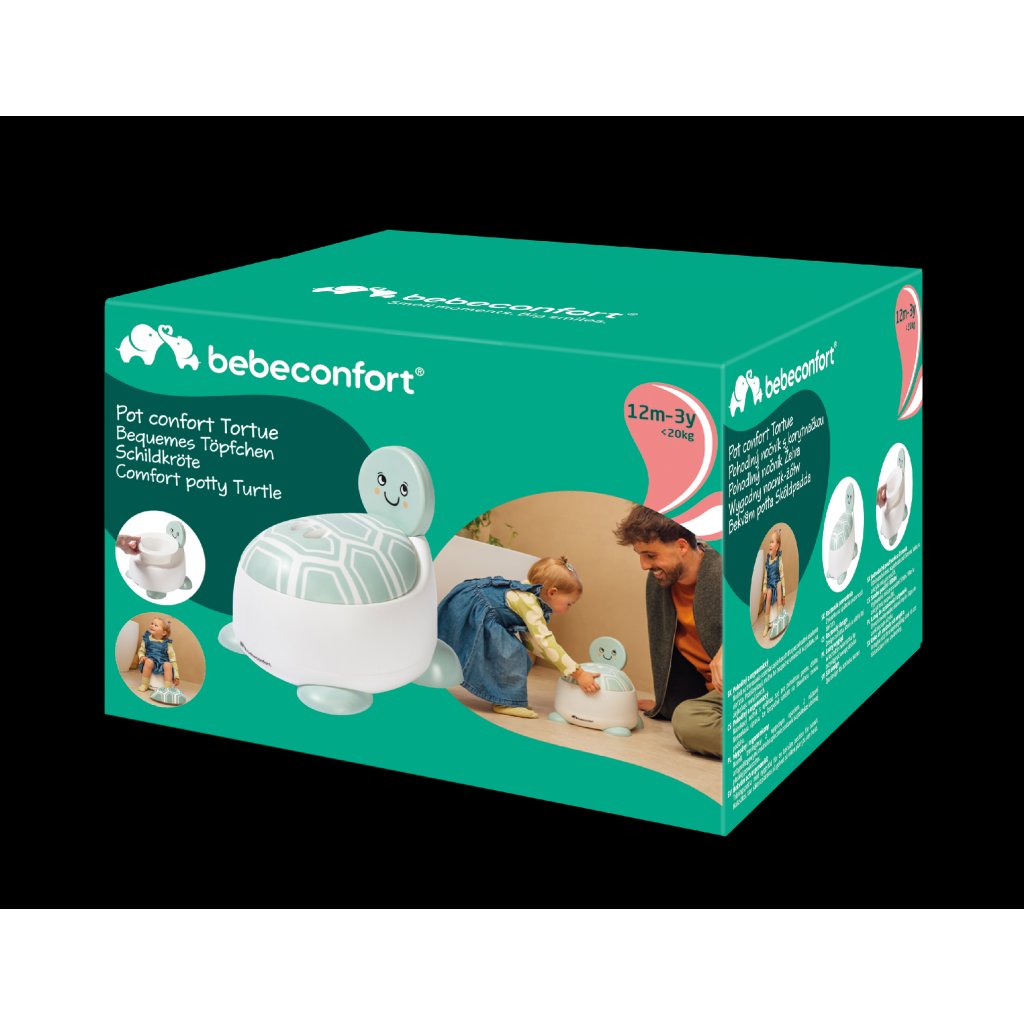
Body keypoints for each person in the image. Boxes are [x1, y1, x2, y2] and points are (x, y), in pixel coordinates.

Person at [614, 505, 722, 758]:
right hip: (717, 696)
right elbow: (673, 652)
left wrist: (734, 646)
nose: (644, 565)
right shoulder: (660, 583)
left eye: (650, 555)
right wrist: (667, 702)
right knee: (685, 715)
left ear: (682, 546)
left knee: (687, 722)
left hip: (752, 685)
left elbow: (774, 619)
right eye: (640, 555)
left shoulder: (727, 573)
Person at [438, 556, 600, 719]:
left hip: (471, 599)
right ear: (552, 592)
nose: (568, 609)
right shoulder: (529, 603)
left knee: (518, 654)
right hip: (473, 608)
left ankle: (507, 698)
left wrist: (561, 663)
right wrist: (578, 673)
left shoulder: (530, 592)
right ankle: (505, 702)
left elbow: (532, 640)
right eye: (569, 604)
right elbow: (545, 642)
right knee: (513, 655)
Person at [137, 616, 180, 694]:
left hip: (162, 663)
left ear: (163, 633)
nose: (152, 625)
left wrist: (176, 676)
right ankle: (145, 684)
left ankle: (167, 688)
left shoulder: (168, 644)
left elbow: (173, 659)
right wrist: (142, 657)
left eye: (156, 625)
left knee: (168, 665)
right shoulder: (146, 639)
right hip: (150, 662)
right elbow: (141, 651)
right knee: (149, 661)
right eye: (152, 623)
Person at [759, 528, 786, 639]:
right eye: (769, 542)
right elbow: (765, 576)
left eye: (772, 542)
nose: (770, 544)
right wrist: (764, 587)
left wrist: (784, 595)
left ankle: (779, 619)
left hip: (777, 583)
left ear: (777, 546)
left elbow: (782, 576)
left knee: (779, 585)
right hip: (770, 584)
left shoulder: (779, 560)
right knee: (769, 594)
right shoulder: (768, 560)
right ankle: (766, 625)